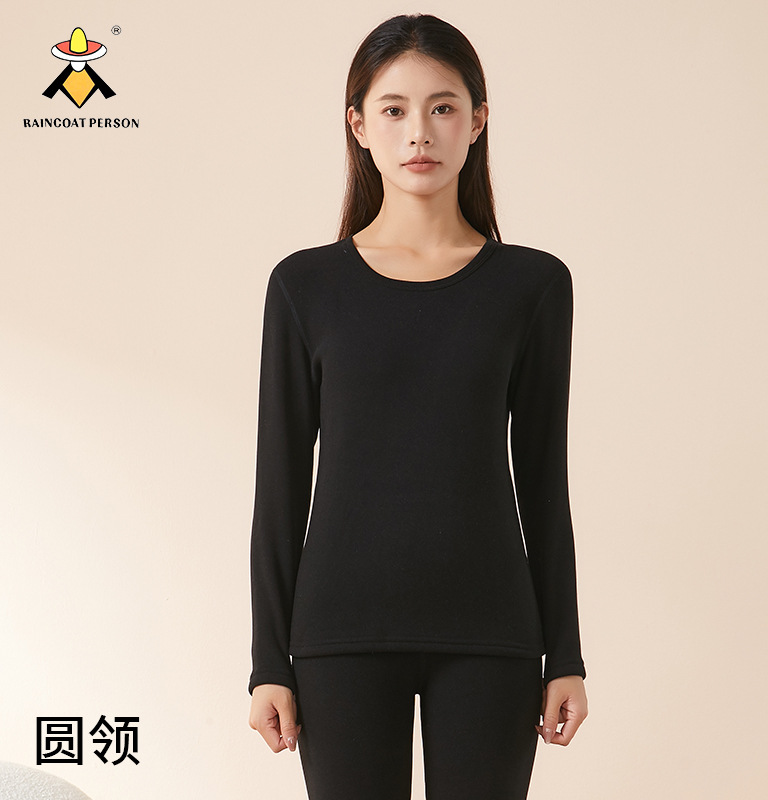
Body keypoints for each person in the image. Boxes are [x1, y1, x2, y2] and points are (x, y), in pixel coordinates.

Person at [248, 13, 588, 800]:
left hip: (492, 634)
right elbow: (280, 487)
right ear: (358, 125)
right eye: (394, 109)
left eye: (442, 107)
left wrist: (565, 653)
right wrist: (269, 662)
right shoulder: (304, 287)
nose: (419, 133)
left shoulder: (533, 286)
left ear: (478, 119)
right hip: (339, 635)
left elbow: (545, 482)